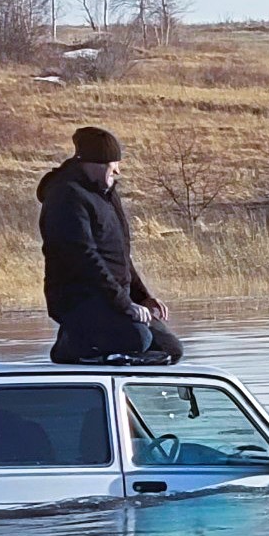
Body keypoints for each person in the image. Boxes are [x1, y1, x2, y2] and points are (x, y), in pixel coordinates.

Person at [38, 126, 182, 365]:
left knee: (170, 349)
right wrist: (126, 306)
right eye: (112, 165)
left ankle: (115, 365)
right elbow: (84, 258)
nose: (117, 170)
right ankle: (72, 346)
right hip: (80, 301)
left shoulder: (106, 194)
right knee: (137, 339)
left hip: (112, 300)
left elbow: (121, 256)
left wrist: (142, 297)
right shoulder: (66, 196)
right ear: (92, 164)